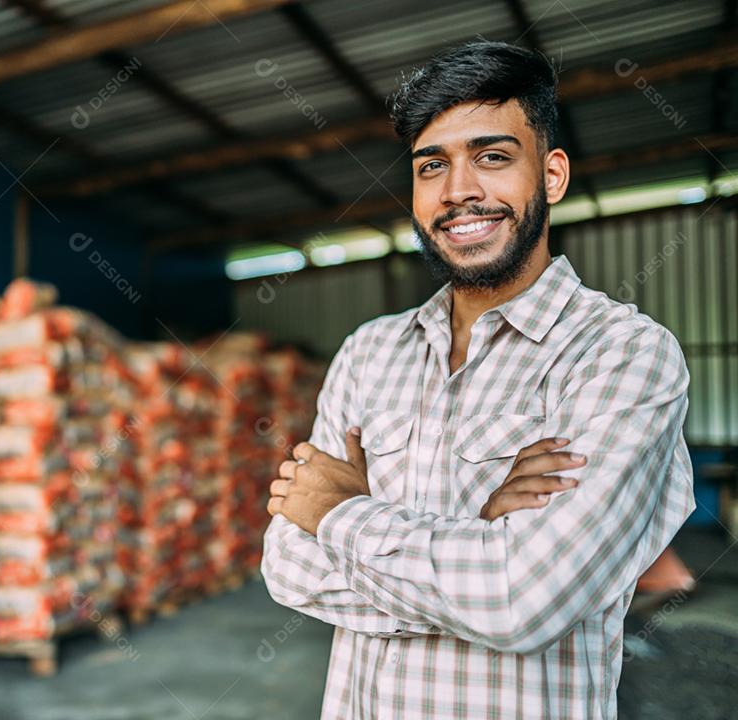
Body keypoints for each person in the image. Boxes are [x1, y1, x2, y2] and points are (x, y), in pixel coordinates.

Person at [261, 41, 695, 720]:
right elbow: (285, 565)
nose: (458, 190)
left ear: (551, 176)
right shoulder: (368, 353)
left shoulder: (623, 356)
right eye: (432, 166)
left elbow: (523, 601)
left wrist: (340, 514)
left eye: (492, 157)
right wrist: (477, 540)